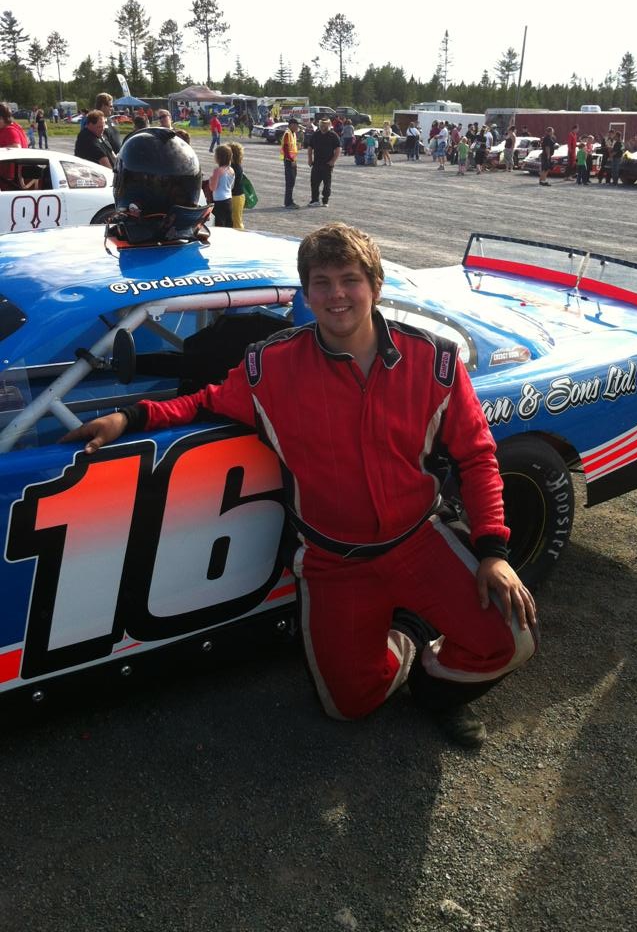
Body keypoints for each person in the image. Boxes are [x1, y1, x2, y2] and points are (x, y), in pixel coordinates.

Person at [61, 221, 538, 750]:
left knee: (511, 638)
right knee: (347, 707)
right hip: (334, 562)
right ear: (306, 293)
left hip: (419, 540)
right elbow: (203, 401)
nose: (337, 294)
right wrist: (128, 418)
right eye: (322, 282)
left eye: (350, 279)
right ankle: (407, 638)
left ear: (375, 285)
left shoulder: (434, 361)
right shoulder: (272, 366)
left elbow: (478, 455)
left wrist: (493, 550)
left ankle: (436, 692)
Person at [307, 117, 341, 207]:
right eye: (322, 125)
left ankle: (325, 201)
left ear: (329, 125)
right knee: (314, 183)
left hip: (327, 164)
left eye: (325, 125)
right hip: (316, 163)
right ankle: (315, 200)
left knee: (327, 184)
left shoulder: (333, 135)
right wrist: (310, 159)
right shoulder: (315, 135)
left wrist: (333, 161)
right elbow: (310, 147)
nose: (323, 127)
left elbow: (338, 149)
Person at [209, 144, 235, 227]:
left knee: (219, 224)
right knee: (228, 223)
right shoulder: (231, 170)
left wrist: (211, 180)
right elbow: (231, 186)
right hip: (228, 199)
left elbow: (213, 187)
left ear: (218, 157)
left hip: (219, 200)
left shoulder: (217, 170)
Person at [281, 116, 300, 209]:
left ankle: (290, 201)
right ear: (292, 125)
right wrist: (291, 160)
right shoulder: (288, 133)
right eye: (296, 125)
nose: (297, 127)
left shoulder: (293, 133)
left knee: (292, 182)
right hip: (289, 161)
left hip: (293, 160)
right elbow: (286, 148)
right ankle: (288, 202)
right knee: (290, 182)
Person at [230, 141, 245, 230]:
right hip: (239, 196)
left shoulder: (233, 167)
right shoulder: (238, 165)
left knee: (236, 223)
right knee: (236, 221)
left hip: (235, 196)